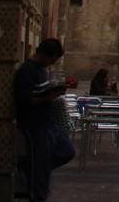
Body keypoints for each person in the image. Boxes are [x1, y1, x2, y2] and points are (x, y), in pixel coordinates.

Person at [14, 38, 75, 201]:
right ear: (44, 54)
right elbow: (24, 101)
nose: (53, 63)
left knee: (67, 151)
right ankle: (35, 184)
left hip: (47, 123)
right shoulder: (27, 71)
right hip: (33, 125)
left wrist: (53, 93)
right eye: (53, 59)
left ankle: (30, 169)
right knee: (39, 172)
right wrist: (49, 97)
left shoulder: (42, 70)